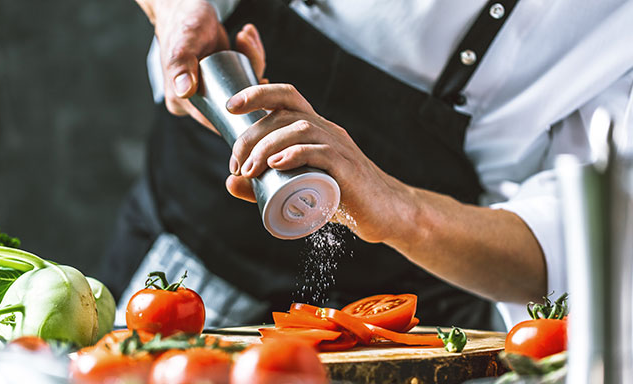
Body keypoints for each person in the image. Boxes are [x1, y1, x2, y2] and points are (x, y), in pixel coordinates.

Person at [100, 0, 633, 331]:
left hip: (396, 317)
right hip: (189, 259)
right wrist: (175, 10)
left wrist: (400, 211)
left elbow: (581, 240)